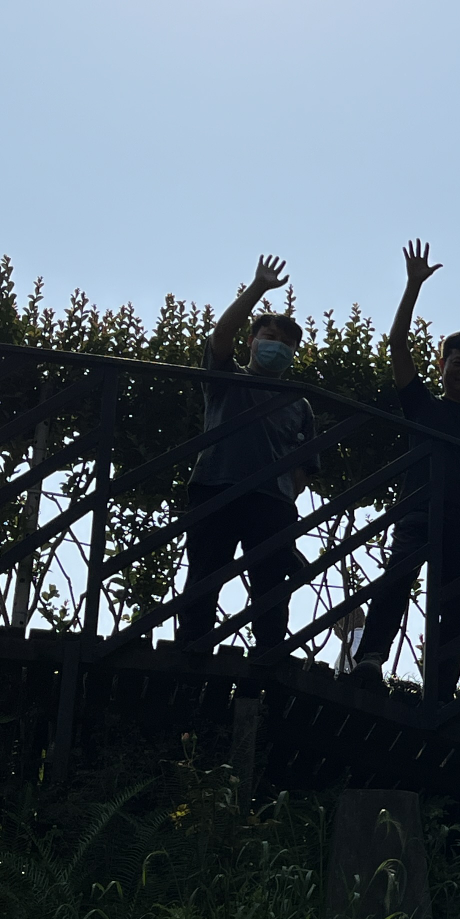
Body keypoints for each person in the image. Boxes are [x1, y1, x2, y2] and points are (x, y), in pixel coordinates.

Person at [353, 241, 460, 697]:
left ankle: (441, 688)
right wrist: (413, 287)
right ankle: (370, 659)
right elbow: (397, 345)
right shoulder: (423, 405)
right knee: (396, 581)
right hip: (420, 510)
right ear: (442, 365)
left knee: (457, 607)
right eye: (457, 363)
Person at [179, 254, 317, 652]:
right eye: (269, 337)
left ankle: (269, 656)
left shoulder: (300, 404)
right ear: (252, 341)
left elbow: (305, 467)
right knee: (204, 576)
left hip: (272, 502)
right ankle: (191, 652)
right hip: (216, 487)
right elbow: (221, 335)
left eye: (287, 343)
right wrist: (257, 288)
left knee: (271, 586)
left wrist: (286, 494)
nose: (277, 346)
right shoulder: (227, 379)